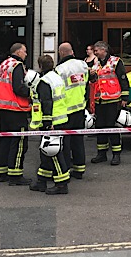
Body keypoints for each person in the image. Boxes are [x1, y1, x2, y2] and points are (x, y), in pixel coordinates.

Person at [0, 43, 32, 186]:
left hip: (4, 109)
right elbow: (18, 88)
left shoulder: (4, 64)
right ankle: (15, 175)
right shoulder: (17, 65)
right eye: (25, 52)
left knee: (5, 141)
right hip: (16, 109)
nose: (26, 54)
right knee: (19, 143)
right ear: (19, 52)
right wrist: (32, 93)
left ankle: (3, 173)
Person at [30, 54, 70, 195]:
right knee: (46, 151)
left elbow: (47, 103)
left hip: (52, 122)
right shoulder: (57, 77)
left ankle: (62, 184)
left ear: (40, 66)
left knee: (53, 152)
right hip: (61, 119)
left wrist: (47, 123)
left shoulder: (45, 81)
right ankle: (42, 180)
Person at [90, 40, 130, 166]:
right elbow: (94, 81)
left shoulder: (115, 61)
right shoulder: (96, 64)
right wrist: (90, 75)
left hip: (113, 100)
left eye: (96, 50)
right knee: (100, 127)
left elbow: (123, 78)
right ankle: (101, 153)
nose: (95, 52)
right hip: (100, 100)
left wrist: (124, 98)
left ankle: (116, 154)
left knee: (111, 126)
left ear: (103, 50)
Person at [56, 42, 89, 179]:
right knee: (78, 140)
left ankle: (66, 169)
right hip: (80, 108)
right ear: (72, 52)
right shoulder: (83, 65)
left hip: (66, 110)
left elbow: (57, 89)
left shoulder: (59, 69)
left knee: (66, 142)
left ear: (62, 53)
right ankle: (80, 169)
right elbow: (86, 84)